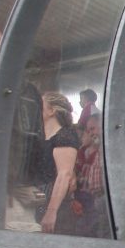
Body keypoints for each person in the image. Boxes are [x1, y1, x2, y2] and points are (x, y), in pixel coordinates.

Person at [0, 23, 44, 230]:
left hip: (6, 194)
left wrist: (14, 182)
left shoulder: (21, 90)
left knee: (7, 246)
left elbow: (30, 143)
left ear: (1, 50)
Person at [38, 92, 80, 234]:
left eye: (41, 105)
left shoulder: (64, 136)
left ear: (51, 111)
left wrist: (51, 211)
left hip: (52, 201)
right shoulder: (41, 136)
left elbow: (64, 174)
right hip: (38, 197)